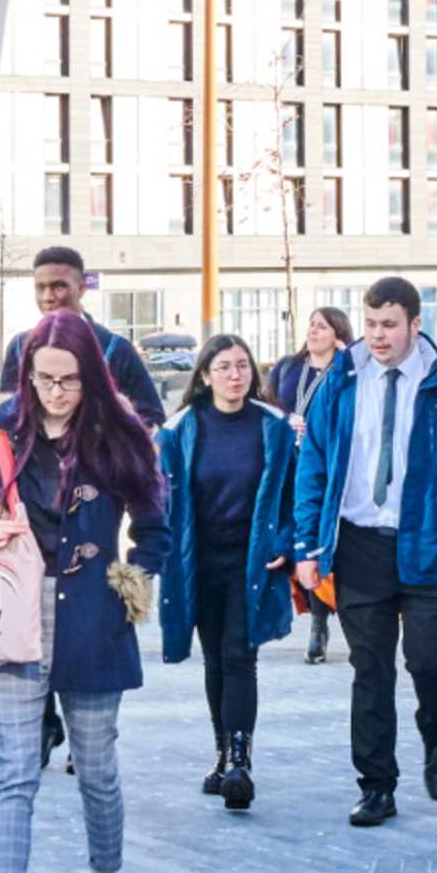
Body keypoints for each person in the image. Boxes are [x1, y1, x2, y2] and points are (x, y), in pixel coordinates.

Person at [0, 314, 164, 873]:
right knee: (14, 771)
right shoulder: (0, 428)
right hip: (18, 615)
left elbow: (157, 531)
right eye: (43, 378)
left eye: (70, 380)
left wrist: (126, 586)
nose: (55, 392)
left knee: (96, 767)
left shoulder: (122, 435)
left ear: (93, 374)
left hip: (91, 619)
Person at [290, 277, 437, 828]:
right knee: (370, 670)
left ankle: (436, 737)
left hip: (431, 548)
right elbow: (312, 466)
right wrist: (307, 545)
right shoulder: (340, 384)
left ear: (414, 325)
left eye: (390, 325)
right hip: (360, 547)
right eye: (372, 323)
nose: (378, 336)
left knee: (429, 661)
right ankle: (377, 785)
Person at [156, 333, 295, 812]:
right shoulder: (180, 429)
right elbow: (161, 499)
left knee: (240, 654)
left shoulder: (275, 427)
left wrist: (287, 540)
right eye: (224, 367)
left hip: (251, 561)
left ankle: (240, 762)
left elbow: (297, 493)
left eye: (243, 366)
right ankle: (222, 757)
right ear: (205, 375)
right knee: (214, 658)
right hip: (198, 563)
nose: (235, 375)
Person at [264, 306, 353, 662]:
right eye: (311, 325)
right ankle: (311, 619)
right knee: (295, 541)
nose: (314, 331)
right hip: (288, 468)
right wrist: (286, 421)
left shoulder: (347, 372)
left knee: (325, 542)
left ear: (338, 333)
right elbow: (266, 407)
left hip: (328, 471)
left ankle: (332, 620)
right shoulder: (289, 367)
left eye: (323, 326)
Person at [0, 245, 165, 425]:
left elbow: (152, 418)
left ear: (81, 288)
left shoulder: (115, 349)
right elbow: (5, 418)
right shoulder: (20, 347)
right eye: (40, 287)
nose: (47, 297)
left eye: (58, 286)